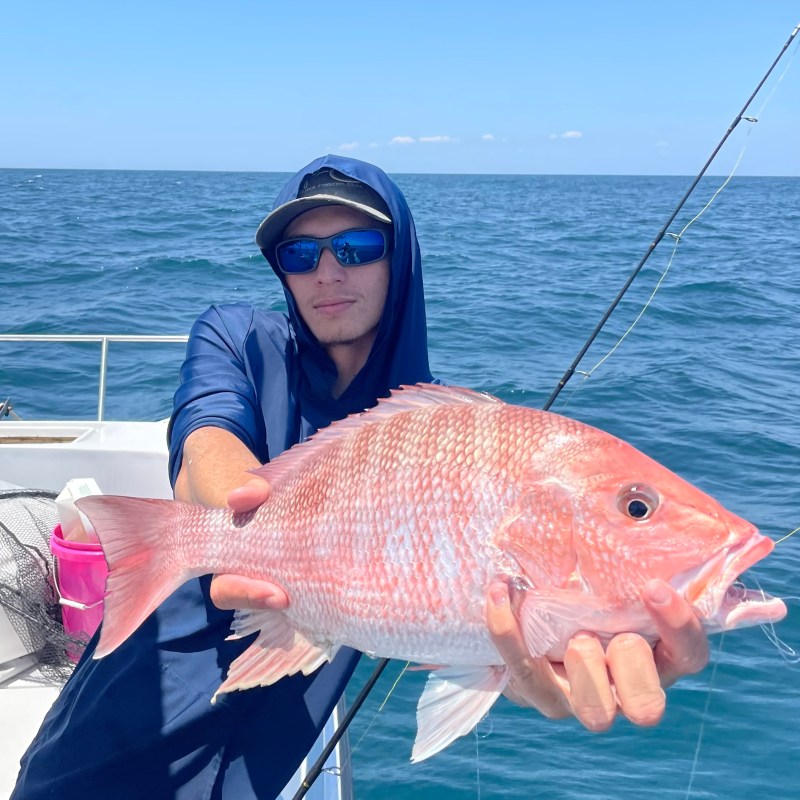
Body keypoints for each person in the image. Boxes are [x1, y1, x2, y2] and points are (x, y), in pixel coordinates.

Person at [13, 155, 709, 800]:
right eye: (299, 254)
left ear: (399, 257)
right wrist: (233, 512)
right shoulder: (239, 339)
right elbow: (207, 435)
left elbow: (448, 613)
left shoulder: (443, 430)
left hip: (261, 766)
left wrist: (529, 657)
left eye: (356, 248)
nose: (326, 272)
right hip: (125, 717)